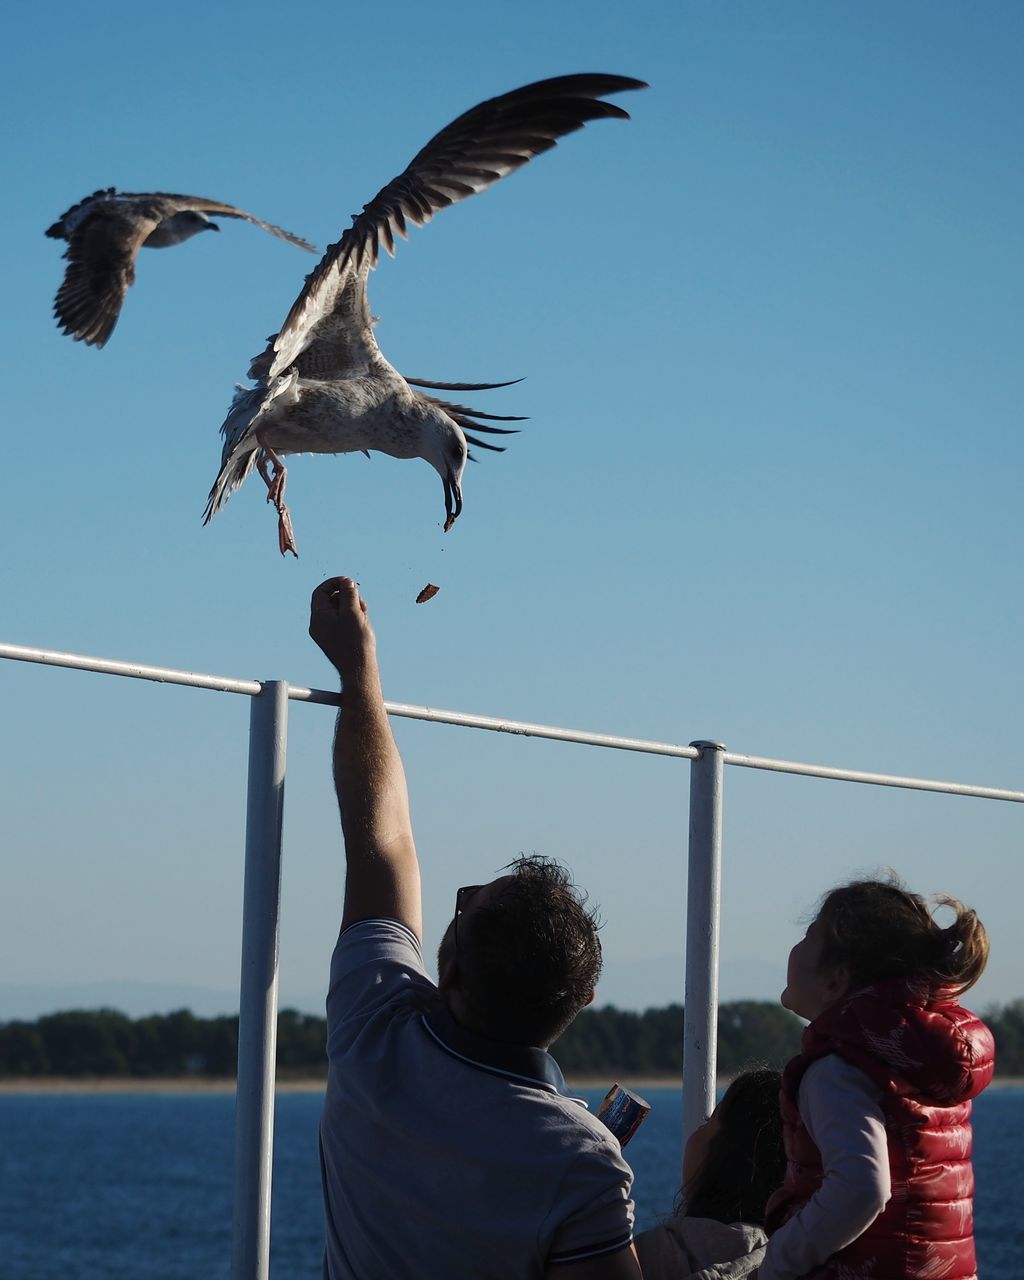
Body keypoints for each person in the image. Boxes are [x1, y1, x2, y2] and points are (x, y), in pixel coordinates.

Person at [308, 576, 641, 1280]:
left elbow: (382, 839)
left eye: (464, 907)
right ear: (578, 1002)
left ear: (449, 971)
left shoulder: (374, 1026)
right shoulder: (582, 1159)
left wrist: (357, 665)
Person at [759, 876, 995, 1280]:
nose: (793, 949)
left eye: (807, 937)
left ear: (835, 977)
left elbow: (862, 1188)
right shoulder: (918, 1063)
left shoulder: (837, 1071)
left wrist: (776, 1264)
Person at [634, 1068, 785, 1280]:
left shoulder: (653, 1255)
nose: (696, 1130)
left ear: (727, 1156)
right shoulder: (802, 1256)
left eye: (708, 1122)